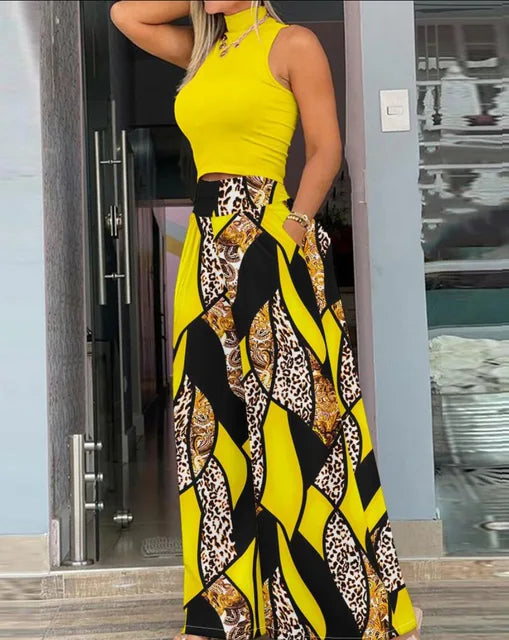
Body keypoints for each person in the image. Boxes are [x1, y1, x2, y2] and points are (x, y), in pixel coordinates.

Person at [110, 2, 424, 639]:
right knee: (209, 432)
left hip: (268, 242)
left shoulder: (292, 43)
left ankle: (331, 613)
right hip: (205, 252)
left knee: (294, 427)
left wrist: (290, 231)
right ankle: (220, 618)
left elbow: (326, 149)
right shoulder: (202, 50)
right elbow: (125, 15)